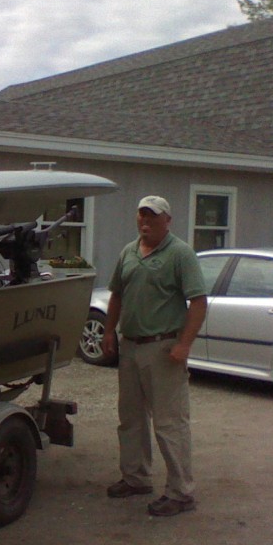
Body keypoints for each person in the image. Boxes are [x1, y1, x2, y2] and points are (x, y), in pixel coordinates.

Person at [102, 195, 207, 517]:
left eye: (153, 216)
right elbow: (117, 295)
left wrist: (184, 344)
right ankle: (136, 478)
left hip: (163, 349)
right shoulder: (128, 252)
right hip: (130, 346)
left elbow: (198, 302)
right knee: (131, 418)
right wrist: (109, 331)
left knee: (169, 423)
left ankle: (181, 492)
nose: (146, 221)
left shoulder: (180, 254)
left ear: (167, 220)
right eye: (142, 215)